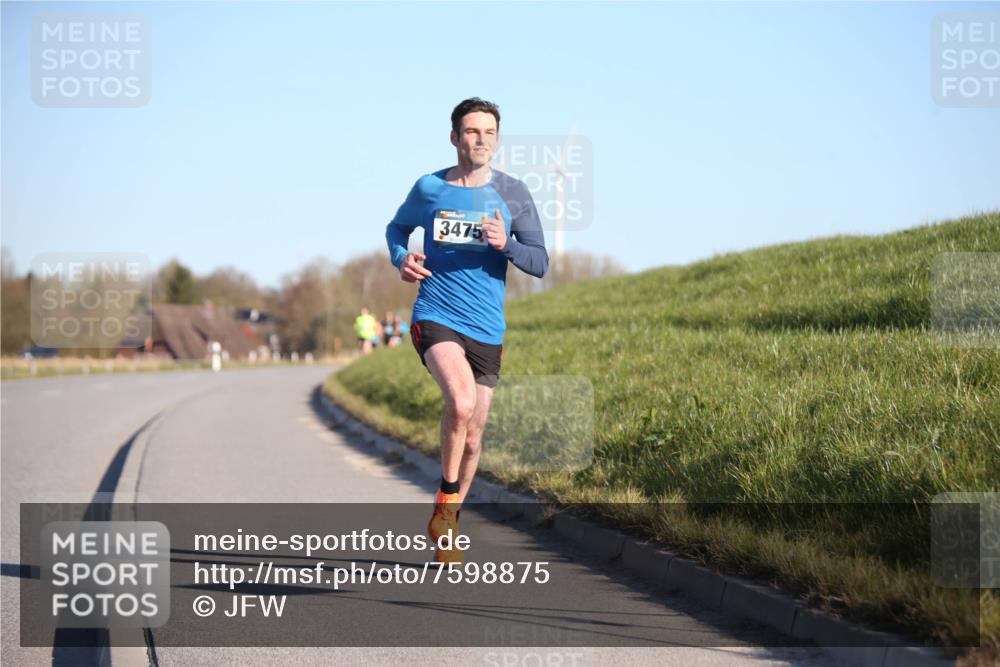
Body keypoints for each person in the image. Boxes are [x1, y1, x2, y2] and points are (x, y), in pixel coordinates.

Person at [385, 98, 548, 563]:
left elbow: (539, 261)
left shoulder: (513, 193)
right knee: (460, 401)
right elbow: (396, 229)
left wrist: (506, 244)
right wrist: (403, 258)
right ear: (455, 137)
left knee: (474, 437)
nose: (481, 140)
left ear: (497, 139)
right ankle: (445, 498)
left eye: (489, 132)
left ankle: (449, 517)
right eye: (472, 131)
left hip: (487, 328)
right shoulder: (430, 188)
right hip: (436, 313)